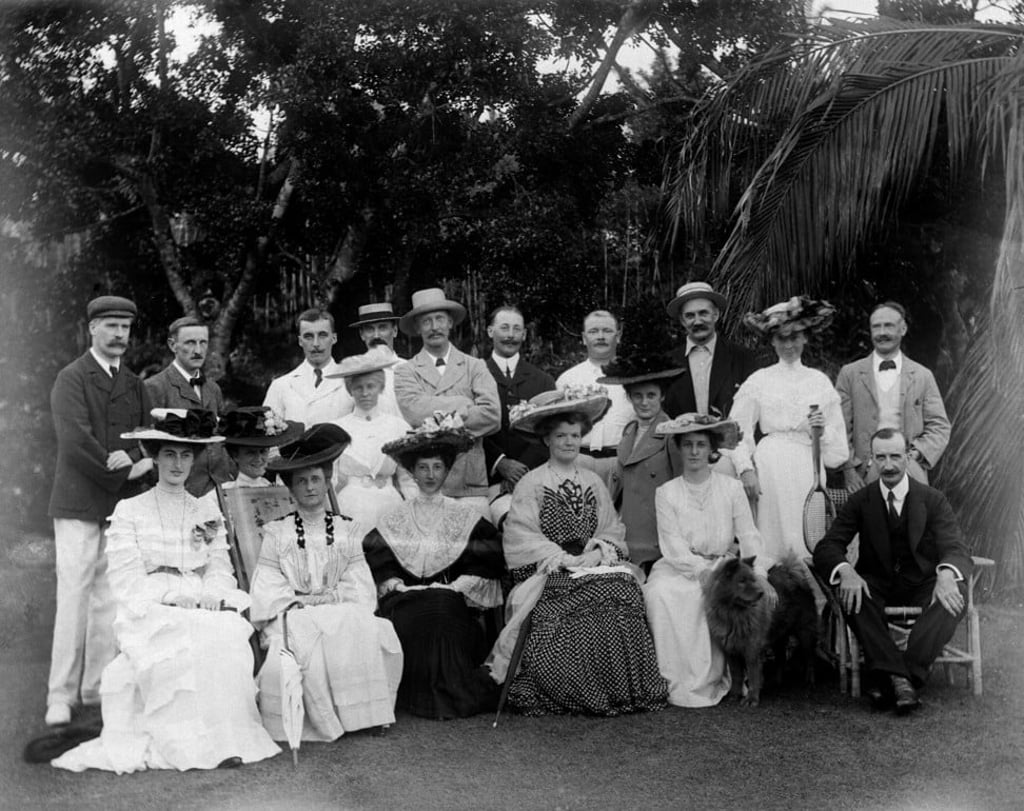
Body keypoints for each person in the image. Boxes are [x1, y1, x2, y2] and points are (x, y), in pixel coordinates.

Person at [52, 409, 280, 772]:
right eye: (170, 454)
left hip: (200, 596)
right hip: (150, 604)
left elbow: (219, 567)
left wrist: (212, 594)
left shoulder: (205, 509)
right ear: (155, 457)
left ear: (195, 459)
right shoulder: (130, 510)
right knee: (182, 633)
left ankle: (223, 741)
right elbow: (126, 579)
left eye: (186, 455)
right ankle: (183, 745)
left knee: (223, 631)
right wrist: (169, 597)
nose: (178, 463)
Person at [487, 388, 668, 716]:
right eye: (561, 436)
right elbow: (521, 535)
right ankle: (575, 689)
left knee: (623, 588)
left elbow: (612, 527)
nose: (569, 442)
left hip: (591, 563)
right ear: (547, 441)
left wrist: (598, 553)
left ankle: (622, 690)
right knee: (582, 596)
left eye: (574, 435)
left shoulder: (593, 480)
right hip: (549, 571)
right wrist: (561, 558)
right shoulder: (532, 483)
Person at [250, 424, 403, 741]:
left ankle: (361, 715)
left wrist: (333, 599)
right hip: (294, 612)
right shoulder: (277, 533)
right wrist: (301, 602)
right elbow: (267, 585)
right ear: (291, 489)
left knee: (358, 622)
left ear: (327, 482)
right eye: (301, 481)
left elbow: (358, 584)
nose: (309, 487)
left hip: (337, 607)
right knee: (305, 630)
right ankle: (327, 720)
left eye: (316, 479)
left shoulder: (346, 529)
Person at [46, 295, 153, 728]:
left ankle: (95, 687)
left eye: (125, 327)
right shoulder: (71, 377)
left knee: (109, 599)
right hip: (77, 501)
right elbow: (74, 439)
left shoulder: (133, 383)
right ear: (91, 329)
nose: (119, 335)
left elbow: (145, 435)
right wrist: (122, 469)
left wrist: (138, 459)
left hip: (119, 506)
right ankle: (60, 695)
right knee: (73, 596)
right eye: (110, 326)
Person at [813, 428, 973, 714]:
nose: (888, 465)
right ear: (871, 459)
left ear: (908, 456)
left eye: (896, 456)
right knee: (854, 595)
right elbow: (827, 547)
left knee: (953, 597)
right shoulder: (860, 500)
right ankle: (902, 681)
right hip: (877, 583)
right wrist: (846, 571)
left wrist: (946, 576)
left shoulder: (933, 499)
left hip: (923, 583)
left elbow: (956, 547)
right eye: (881, 457)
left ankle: (892, 677)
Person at [363, 415, 505, 719]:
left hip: (452, 603)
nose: (430, 474)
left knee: (442, 605)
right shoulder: (392, 518)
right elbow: (380, 567)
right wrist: (401, 587)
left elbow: (486, 564)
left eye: (437, 467)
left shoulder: (466, 517)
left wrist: (453, 588)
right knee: (429, 608)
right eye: (423, 468)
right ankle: (435, 697)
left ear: (447, 471)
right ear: (412, 472)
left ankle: (438, 697)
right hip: (404, 602)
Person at [643, 414, 771, 707]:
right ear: (678, 448)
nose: (694, 451)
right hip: (680, 566)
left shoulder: (731, 488)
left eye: (701, 444)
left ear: (711, 448)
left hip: (722, 566)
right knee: (661, 594)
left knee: (716, 596)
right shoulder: (666, 493)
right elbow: (672, 544)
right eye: (687, 444)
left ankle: (712, 678)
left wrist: (759, 572)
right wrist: (699, 570)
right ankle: (671, 680)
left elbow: (749, 534)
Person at [730, 296, 849, 560]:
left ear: (805, 337)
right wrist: (745, 468)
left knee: (808, 536)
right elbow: (736, 432)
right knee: (771, 540)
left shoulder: (819, 381)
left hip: (808, 466)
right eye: (782, 338)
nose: (789, 344)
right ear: (772, 340)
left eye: (795, 336)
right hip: (770, 466)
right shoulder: (759, 380)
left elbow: (839, 453)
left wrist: (822, 430)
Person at [393, 288, 501, 517]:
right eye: (426, 321)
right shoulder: (406, 371)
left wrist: (435, 416)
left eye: (440, 319)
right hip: (427, 484)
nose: (434, 327)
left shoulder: (475, 366)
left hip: (470, 482)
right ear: (417, 328)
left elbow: (492, 415)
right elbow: (414, 413)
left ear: (450, 322)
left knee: (477, 548)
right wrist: (463, 404)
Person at [835, 301, 951, 490]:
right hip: (865, 474)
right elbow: (839, 427)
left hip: (910, 472)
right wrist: (849, 470)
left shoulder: (922, 375)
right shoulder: (850, 374)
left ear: (903, 328)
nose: (882, 333)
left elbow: (940, 426)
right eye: (876, 327)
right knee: (870, 520)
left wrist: (915, 455)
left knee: (912, 520)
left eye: (888, 325)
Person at [663, 282, 763, 478]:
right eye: (690, 316)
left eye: (703, 313)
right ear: (682, 321)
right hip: (683, 462)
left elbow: (755, 417)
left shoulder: (742, 358)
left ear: (716, 315)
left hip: (730, 462)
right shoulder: (668, 363)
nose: (697, 321)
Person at [597, 351, 683, 568]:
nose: (644, 402)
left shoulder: (672, 434)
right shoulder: (629, 431)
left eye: (651, 395)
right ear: (629, 397)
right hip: (625, 533)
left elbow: (682, 488)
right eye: (637, 396)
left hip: (656, 537)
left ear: (662, 396)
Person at [324, 348, 417, 532]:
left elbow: (408, 479)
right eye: (358, 387)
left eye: (370, 386)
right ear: (350, 390)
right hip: (351, 506)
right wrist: (331, 517)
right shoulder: (336, 429)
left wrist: (415, 513)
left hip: (390, 504)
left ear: (381, 387)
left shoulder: (398, 426)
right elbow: (330, 480)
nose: (365, 393)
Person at [481, 305, 557, 527]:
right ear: (490, 331)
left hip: (534, 479)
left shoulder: (543, 381)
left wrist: (523, 471)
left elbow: (549, 431)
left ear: (524, 334)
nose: (510, 335)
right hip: (488, 480)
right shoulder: (474, 375)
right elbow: (469, 429)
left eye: (517, 329)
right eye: (504, 328)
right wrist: (501, 463)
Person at [144, 316, 232, 497]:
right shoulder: (155, 386)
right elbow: (146, 447)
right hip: (181, 491)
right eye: (190, 343)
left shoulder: (212, 388)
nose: (198, 350)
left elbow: (221, 438)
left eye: (203, 343)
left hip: (221, 487)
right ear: (172, 345)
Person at [554, 310, 635, 487]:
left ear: (618, 335)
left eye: (607, 331)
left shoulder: (634, 377)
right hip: (577, 462)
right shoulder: (567, 380)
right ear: (583, 338)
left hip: (623, 463)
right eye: (593, 331)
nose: (600, 337)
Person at [263, 307, 353, 426]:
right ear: (300, 341)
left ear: (334, 338)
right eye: (308, 336)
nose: (315, 344)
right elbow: (269, 436)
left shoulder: (352, 382)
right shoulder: (281, 386)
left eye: (322, 335)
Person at [348, 301, 404, 417]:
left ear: (394, 331)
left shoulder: (410, 369)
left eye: (382, 328)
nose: (376, 335)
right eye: (370, 329)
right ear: (362, 334)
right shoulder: (352, 374)